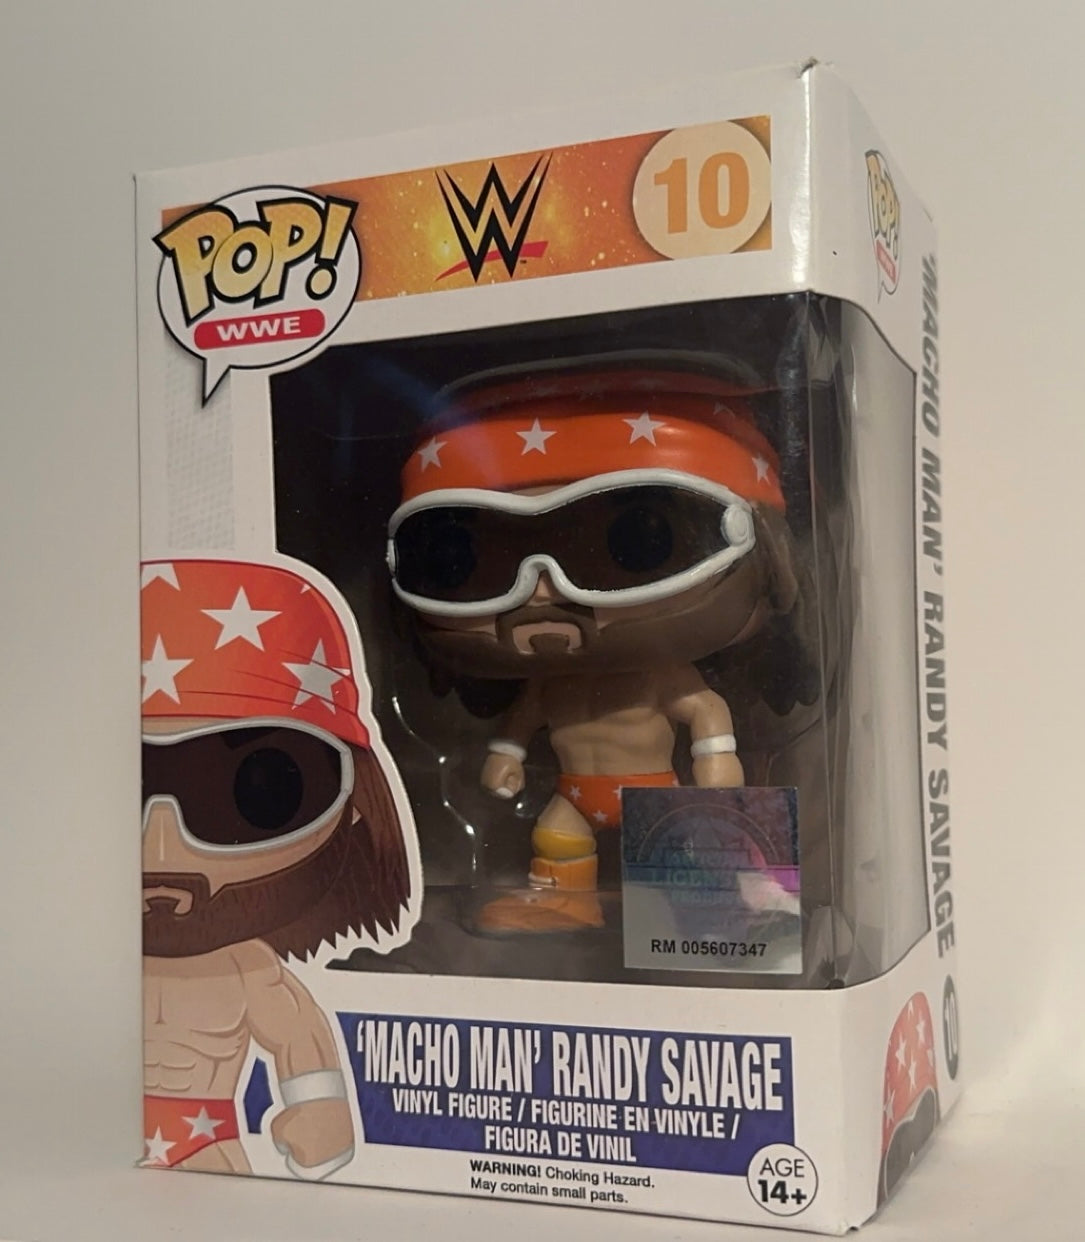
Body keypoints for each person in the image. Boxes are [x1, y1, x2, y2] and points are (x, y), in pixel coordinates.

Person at [140, 558, 412, 1174]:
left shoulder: (249, 970)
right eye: (135, 781)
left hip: (207, 1149)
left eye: (256, 793)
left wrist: (321, 1110)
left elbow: (298, 1037)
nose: (160, 851)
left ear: (355, 803)